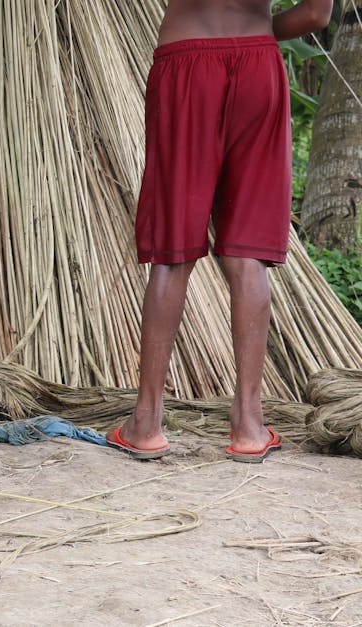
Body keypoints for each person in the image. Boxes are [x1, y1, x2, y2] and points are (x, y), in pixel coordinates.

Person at [107, 0, 333, 462]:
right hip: (257, 63)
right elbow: (315, 15)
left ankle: (146, 422)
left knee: (173, 252)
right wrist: (256, 28)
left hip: (185, 61)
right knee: (248, 253)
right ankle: (249, 425)